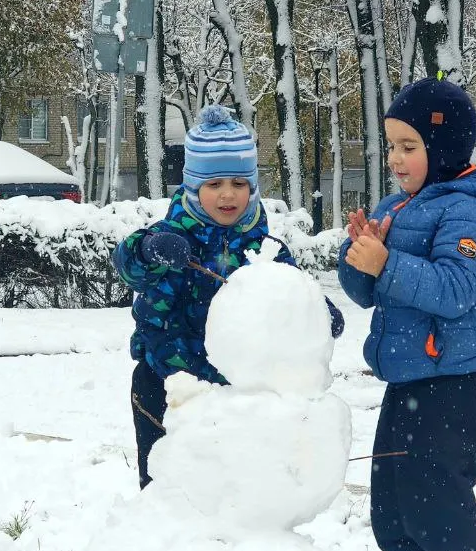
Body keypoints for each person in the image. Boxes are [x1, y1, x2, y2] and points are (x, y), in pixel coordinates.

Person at [338, 76, 476, 551]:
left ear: (443, 148)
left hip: (457, 384)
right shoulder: (396, 209)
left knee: (437, 502)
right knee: (391, 505)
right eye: (390, 145)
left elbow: (460, 290)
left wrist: (388, 263)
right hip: (408, 382)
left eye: (409, 146)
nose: (395, 158)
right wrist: (361, 256)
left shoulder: (469, 210)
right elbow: (368, 294)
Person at [112, 105, 344, 490]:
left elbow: (292, 293)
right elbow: (128, 265)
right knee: (168, 488)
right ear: (192, 186)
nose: (227, 194)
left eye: (239, 183)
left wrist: (317, 314)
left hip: (237, 396)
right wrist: (149, 249)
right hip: (167, 385)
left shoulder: (265, 250)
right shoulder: (169, 239)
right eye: (214, 183)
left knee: (233, 494)